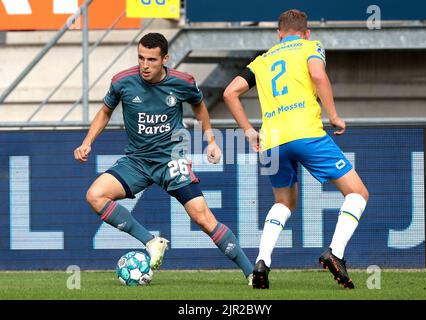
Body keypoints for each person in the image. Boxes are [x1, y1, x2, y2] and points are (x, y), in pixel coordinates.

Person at [74, 32, 253, 284]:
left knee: (203, 217)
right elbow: (105, 112)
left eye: (151, 59)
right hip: (136, 161)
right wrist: (87, 142)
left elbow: (199, 105)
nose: (144, 65)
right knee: (95, 195)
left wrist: (211, 140)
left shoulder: (183, 82)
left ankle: (251, 273)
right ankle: (151, 241)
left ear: (165, 59)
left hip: (171, 160)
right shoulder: (122, 81)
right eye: (141, 58)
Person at [223, 9, 369, 289]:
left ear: (279, 34)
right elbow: (318, 75)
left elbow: (229, 93)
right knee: (357, 193)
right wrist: (334, 115)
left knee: (284, 203)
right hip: (306, 134)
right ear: (306, 32)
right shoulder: (310, 47)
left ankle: (262, 262)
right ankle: (335, 253)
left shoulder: (262, 60)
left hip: (272, 141)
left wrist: (248, 131)